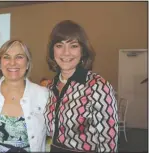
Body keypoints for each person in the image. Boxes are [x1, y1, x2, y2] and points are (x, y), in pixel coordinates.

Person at [43, 20, 118, 152]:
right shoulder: (49, 87)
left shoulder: (98, 86)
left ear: (83, 51)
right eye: (59, 45)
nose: (66, 53)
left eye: (73, 46)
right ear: (52, 51)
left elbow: (108, 141)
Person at [0, 39, 49, 152]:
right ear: (0, 64)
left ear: (27, 63)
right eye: (6, 57)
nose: (12, 63)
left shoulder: (43, 95)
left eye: (19, 57)